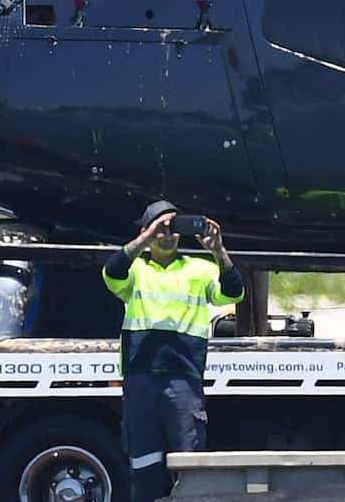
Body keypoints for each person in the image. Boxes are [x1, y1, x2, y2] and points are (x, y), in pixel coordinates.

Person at [103, 200, 245, 502]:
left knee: (189, 470)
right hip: (141, 379)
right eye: (159, 226)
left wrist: (218, 250)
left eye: (172, 227)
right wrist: (143, 240)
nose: (167, 233)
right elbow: (111, 274)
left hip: (183, 379)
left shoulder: (199, 269)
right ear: (146, 230)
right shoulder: (136, 271)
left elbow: (234, 293)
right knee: (144, 468)